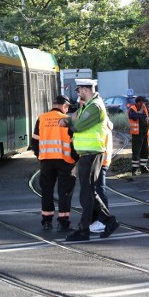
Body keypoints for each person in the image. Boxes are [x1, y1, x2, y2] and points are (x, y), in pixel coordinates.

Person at [62, 79, 119, 241]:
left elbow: (78, 125)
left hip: (92, 153)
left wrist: (67, 123)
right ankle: (108, 221)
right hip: (87, 154)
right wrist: (69, 120)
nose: (78, 93)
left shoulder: (94, 107)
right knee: (89, 192)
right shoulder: (89, 106)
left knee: (87, 193)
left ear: (86, 90)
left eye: (78, 90)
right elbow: (74, 120)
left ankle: (84, 230)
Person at [30, 94, 76, 232]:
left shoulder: (42, 118)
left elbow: (34, 142)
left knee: (47, 191)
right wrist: (74, 160)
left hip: (46, 161)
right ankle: (63, 222)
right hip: (65, 161)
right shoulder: (67, 120)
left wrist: (40, 156)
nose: (67, 110)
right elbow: (74, 143)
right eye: (67, 107)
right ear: (64, 106)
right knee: (65, 192)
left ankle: (46, 221)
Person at [90, 118, 113, 234]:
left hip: (100, 160)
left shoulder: (99, 123)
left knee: (98, 190)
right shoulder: (104, 121)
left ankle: (103, 220)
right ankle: (98, 218)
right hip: (102, 160)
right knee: (97, 190)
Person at [128, 96, 149, 176]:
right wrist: (141, 111)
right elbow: (134, 117)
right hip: (137, 134)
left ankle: (143, 168)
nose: (145, 104)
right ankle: (134, 170)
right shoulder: (132, 109)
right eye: (143, 102)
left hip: (145, 133)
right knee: (136, 152)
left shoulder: (146, 109)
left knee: (145, 151)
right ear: (139, 103)